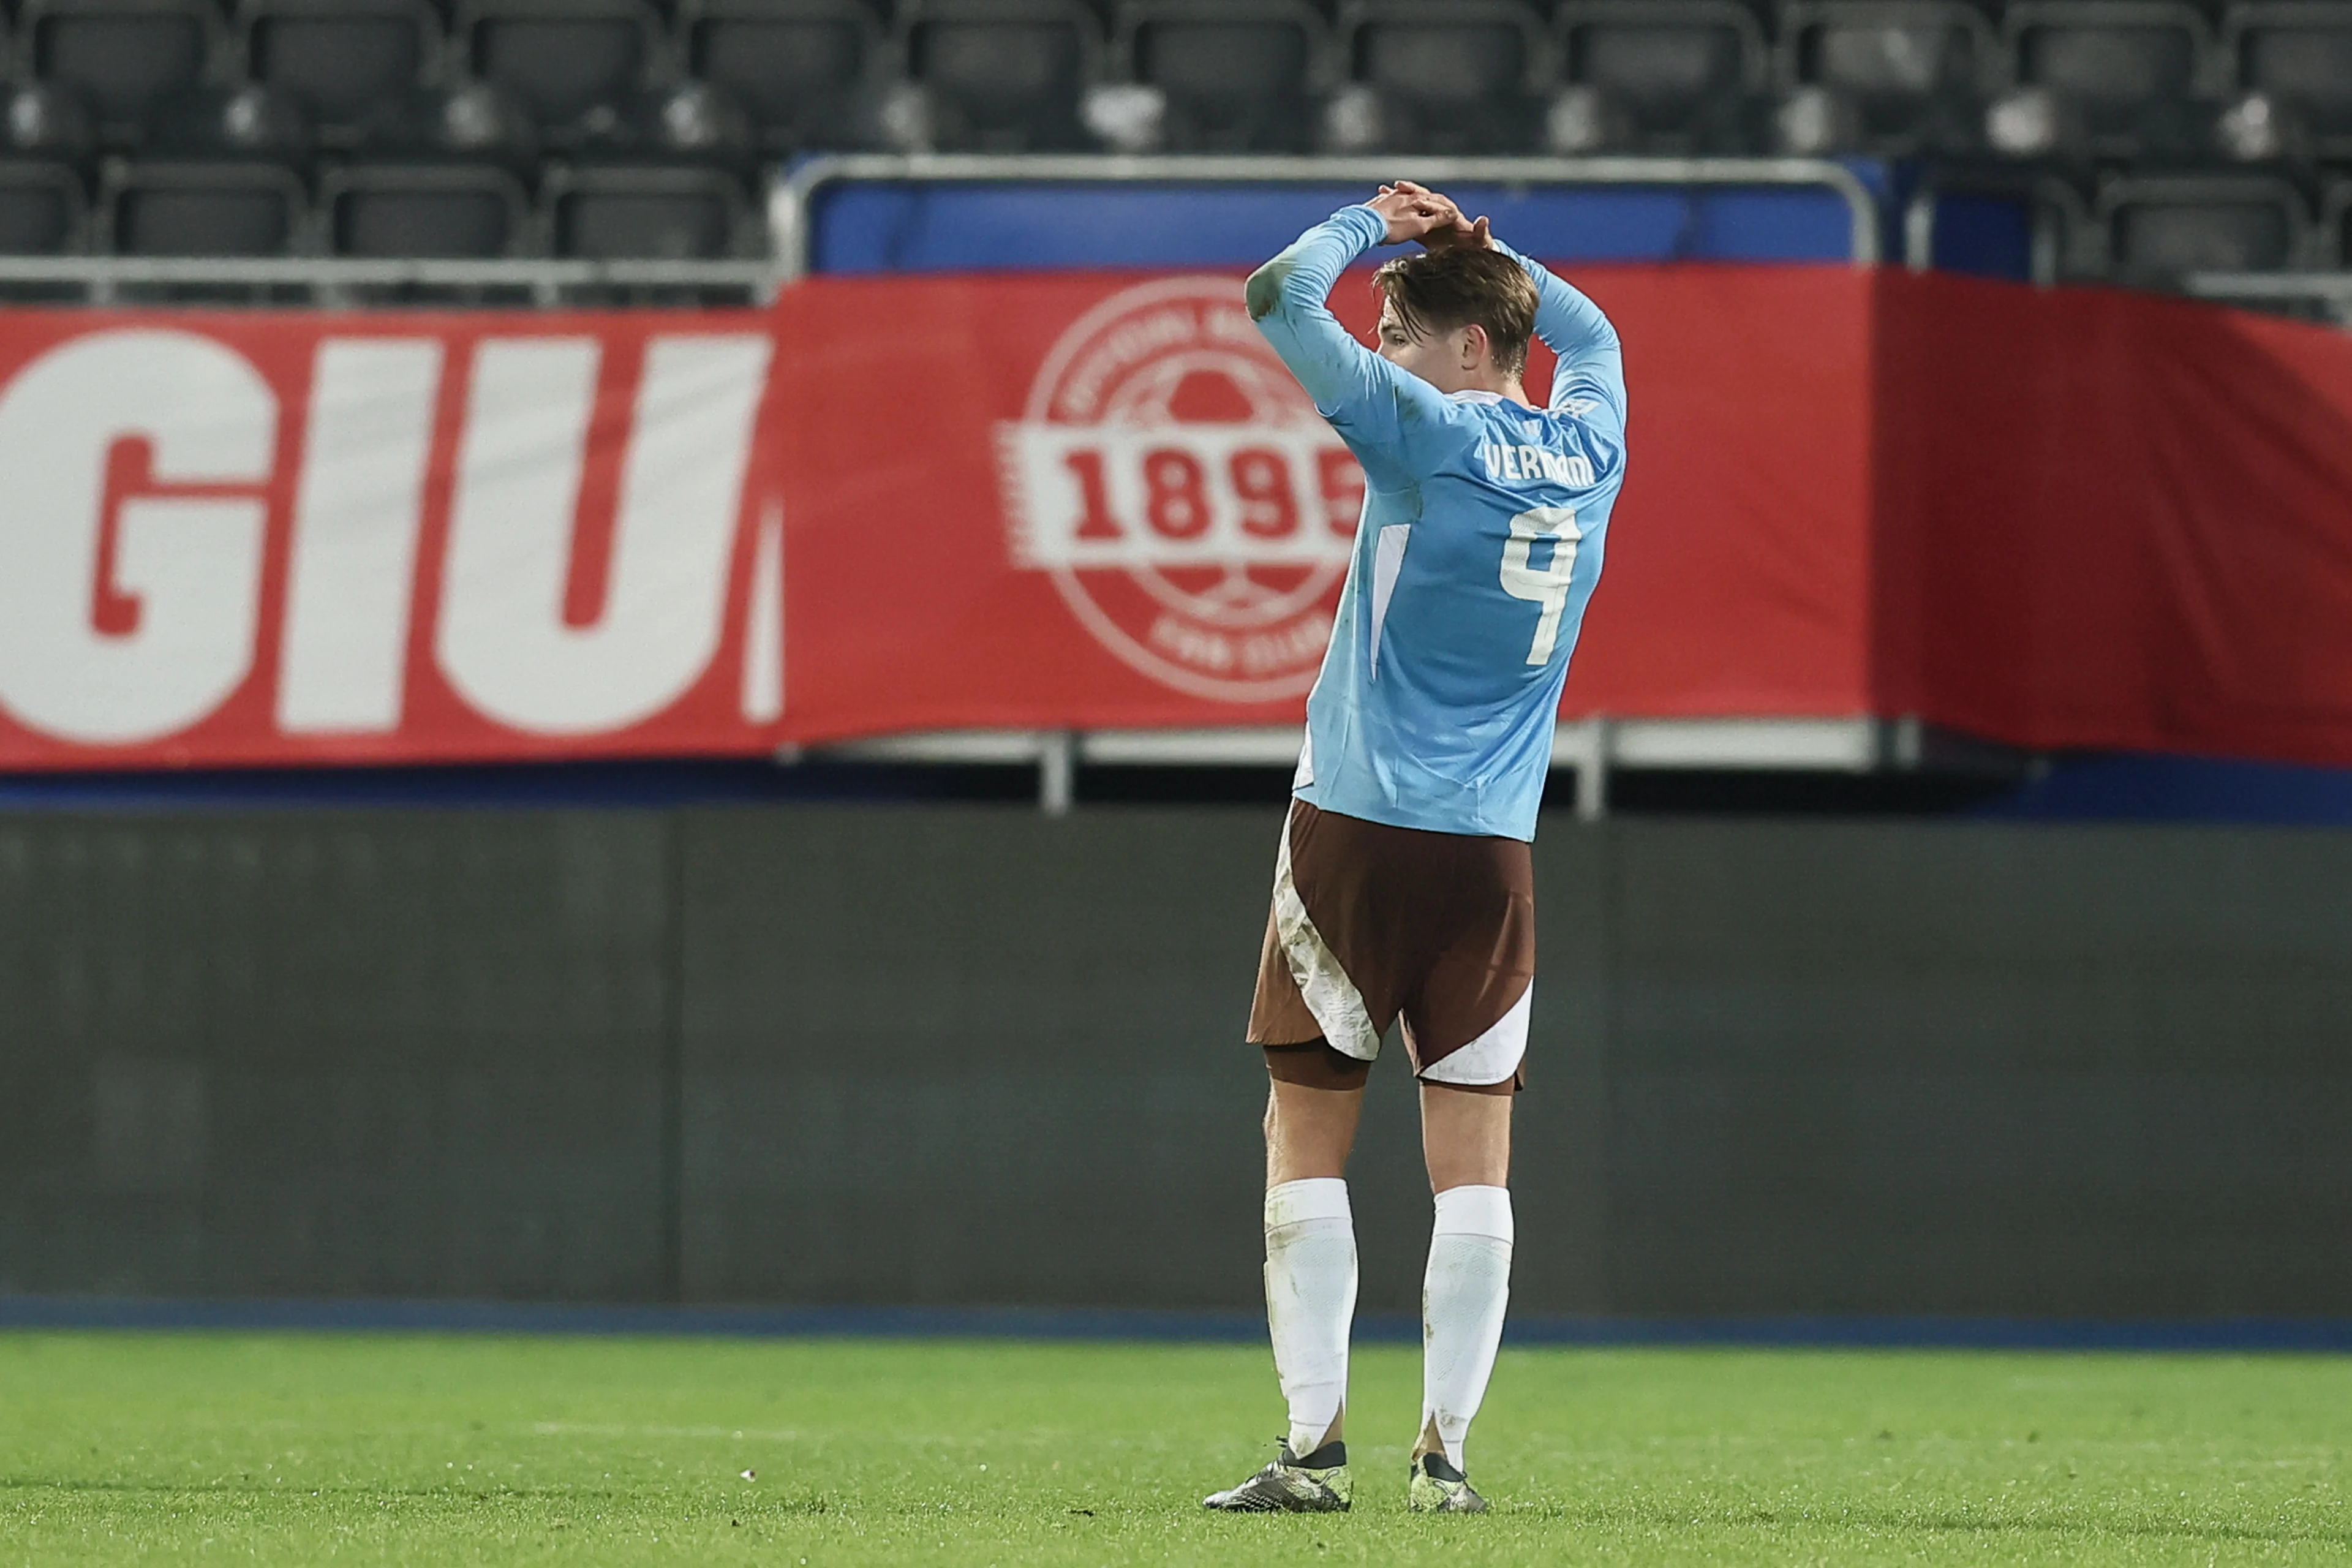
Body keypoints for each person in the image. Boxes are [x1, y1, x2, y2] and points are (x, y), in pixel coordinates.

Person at [1202, 183, 1628, 1516]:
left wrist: (1372, 226)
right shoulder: (1591, 446)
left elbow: (1277, 293)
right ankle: (1445, 1459)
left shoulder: (1424, 433)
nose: (1380, 341)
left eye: (1398, 326)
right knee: (1478, 1159)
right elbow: (1597, 335)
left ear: (1464, 349)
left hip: (1357, 829)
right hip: (1493, 853)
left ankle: (1312, 1447)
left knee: (1304, 1136)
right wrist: (1489, 255)